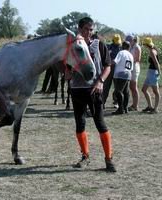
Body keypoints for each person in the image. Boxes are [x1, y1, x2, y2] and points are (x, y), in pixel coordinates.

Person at [70, 17, 116, 172]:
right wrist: (66, 72)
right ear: (79, 29)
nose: (88, 32)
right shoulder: (73, 45)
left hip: (94, 90)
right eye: (85, 29)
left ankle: (109, 159)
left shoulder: (99, 45)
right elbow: (64, 64)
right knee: (80, 124)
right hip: (77, 89)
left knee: (100, 124)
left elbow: (108, 66)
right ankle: (85, 156)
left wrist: (100, 81)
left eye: (91, 30)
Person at [112, 41, 134, 115]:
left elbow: (115, 61)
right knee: (126, 92)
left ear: (123, 46)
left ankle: (120, 109)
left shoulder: (121, 52)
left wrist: (107, 63)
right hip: (128, 74)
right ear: (129, 47)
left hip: (120, 74)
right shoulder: (131, 55)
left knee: (118, 91)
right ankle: (125, 108)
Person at [141, 37, 160, 114]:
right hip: (150, 72)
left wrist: (159, 72)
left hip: (153, 72)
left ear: (146, 44)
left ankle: (155, 109)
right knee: (144, 89)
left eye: (144, 44)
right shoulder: (152, 50)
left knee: (156, 91)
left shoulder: (152, 51)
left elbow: (156, 63)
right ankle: (150, 106)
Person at [103, 34, 122, 109]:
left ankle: (116, 102)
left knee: (117, 87)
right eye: (116, 42)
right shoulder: (108, 47)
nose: (118, 43)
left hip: (117, 69)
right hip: (109, 69)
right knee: (106, 86)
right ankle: (103, 102)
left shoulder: (121, 48)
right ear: (113, 41)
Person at [127, 35, 142, 111]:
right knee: (131, 87)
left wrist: (130, 62)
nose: (129, 42)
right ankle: (133, 104)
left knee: (134, 87)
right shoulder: (131, 47)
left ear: (133, 40)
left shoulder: (137, 47)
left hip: (135, 68)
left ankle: (136, 105)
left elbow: (138, 59)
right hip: (131, 67)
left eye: (130, 41)